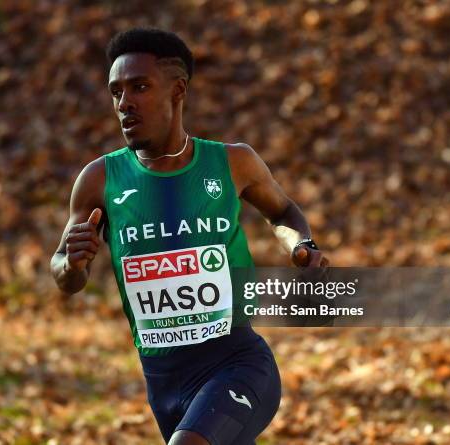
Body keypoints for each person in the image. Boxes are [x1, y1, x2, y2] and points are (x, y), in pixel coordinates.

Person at [51, 28, 329, 445]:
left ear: (177, 90)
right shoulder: (99, 180)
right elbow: (67, 278)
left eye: (139, 87)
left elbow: (284, 212)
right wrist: (71, 262)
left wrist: (301, 246)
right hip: (162, 382)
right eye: (116, 92)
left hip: (236, 362)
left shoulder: (232, 162)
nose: (124, 103)